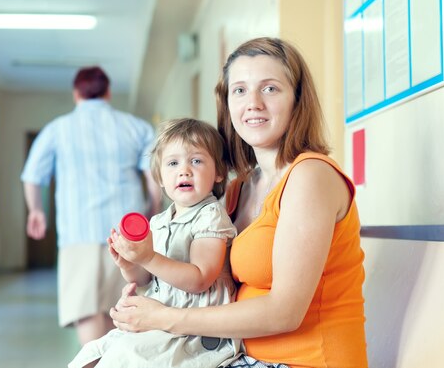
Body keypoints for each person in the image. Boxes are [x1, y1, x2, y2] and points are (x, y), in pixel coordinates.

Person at [110, 37, 368, 368]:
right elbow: (205, 281)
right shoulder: (239, 189)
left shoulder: (310, 177)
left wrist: (166, 318)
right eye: (240, 90)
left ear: (297, 100)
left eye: (271, 89)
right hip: (237, 356)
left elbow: (285, 312)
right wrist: (140, 280)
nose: (253, 103)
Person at [69, 118, 240, 368]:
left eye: (196, 160)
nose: (184, 170)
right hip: (158, 319)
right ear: (159, 177)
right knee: (91, 354)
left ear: (219, 173)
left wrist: (148, 257)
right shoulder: (159, 221)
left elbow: (200, 278)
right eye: (173, 163)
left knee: (122, 357)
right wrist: (131, 264)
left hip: (195, 331)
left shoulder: (210, 216)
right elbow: (146, 279)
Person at [21, 66, 163, 346]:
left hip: (78, 231)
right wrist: (152, 210)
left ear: (76, 94)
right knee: (121, 307)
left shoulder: (57, 129)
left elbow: (32, 176)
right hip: (126, 233)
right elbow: (153, 176)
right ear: (108, 92)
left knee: (85, 310)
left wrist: (36, 210)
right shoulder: (136, 127)